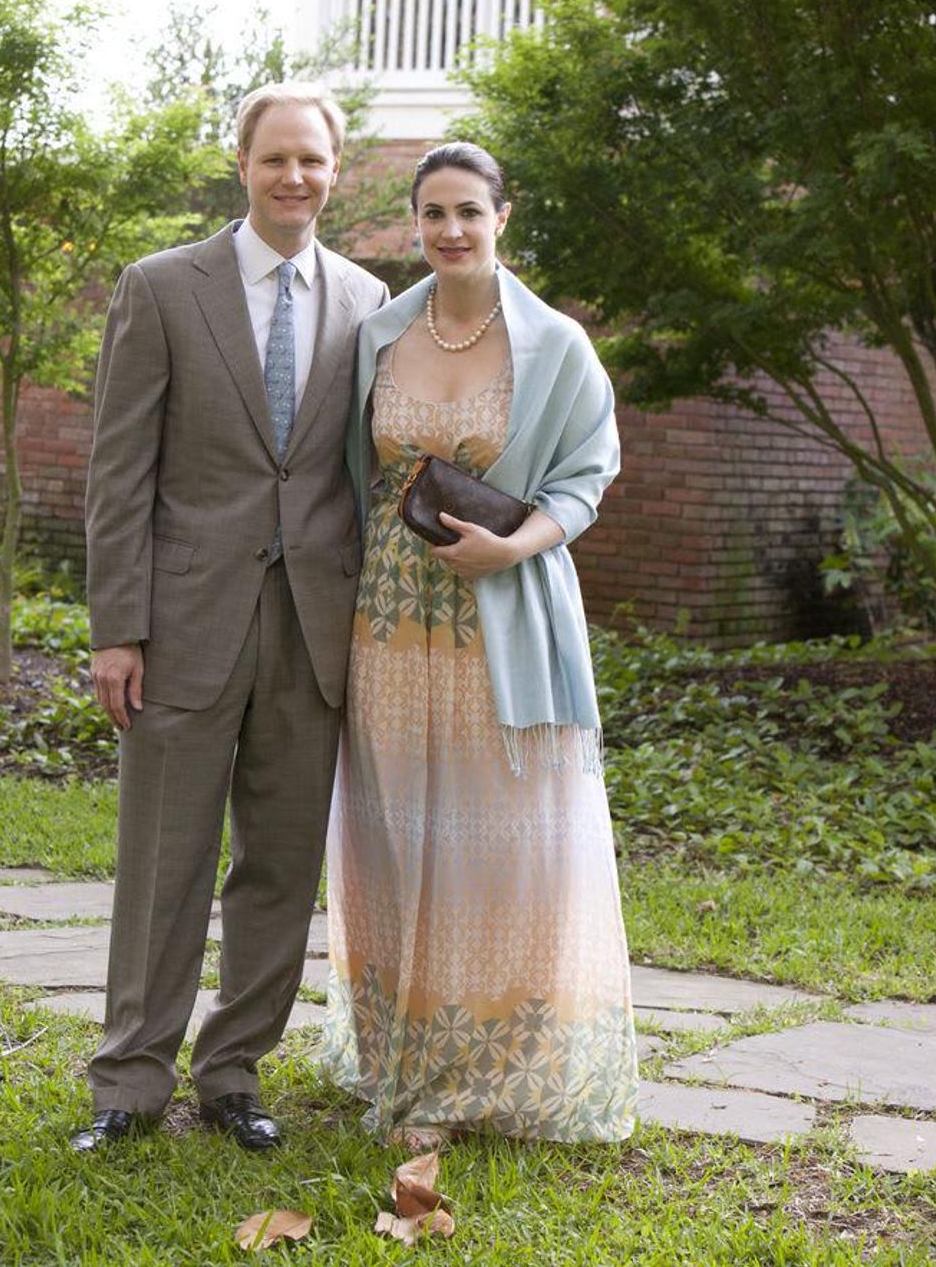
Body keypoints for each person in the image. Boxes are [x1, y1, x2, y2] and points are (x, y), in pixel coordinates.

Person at [73, 82, 388, 1154]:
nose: (293, 176)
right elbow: (120, 471)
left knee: (281, 861)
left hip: (314, 627)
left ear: (333, 170)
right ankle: (128, 1080)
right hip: (182, 624)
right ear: (241, 164)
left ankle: (234, 1068)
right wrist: (119, 626)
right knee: (163, 857)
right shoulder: (162, 288)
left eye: (311, 159)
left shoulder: (364, 297)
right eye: (275, 158)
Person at [323, 141, 637, 1144]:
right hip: (383, 622)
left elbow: (583, 479)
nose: (450, 230)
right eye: (432, 214)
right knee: (392, 830)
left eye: (468, 210)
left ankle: (494, 1066)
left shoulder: (557, 345)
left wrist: (513, 546)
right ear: (413, 224)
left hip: (499, 619)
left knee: (500, 844)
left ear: (503, 215)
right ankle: (401, 1058)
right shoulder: (376, 332)